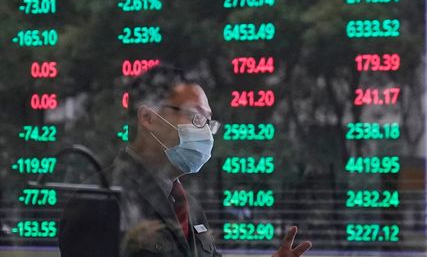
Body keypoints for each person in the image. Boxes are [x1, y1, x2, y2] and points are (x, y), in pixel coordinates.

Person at [59, 64, 311, 257]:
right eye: (195, 116)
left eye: (208, 122)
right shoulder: (99, 204)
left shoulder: (191, 207)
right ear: (148, 118)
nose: (205, 132)